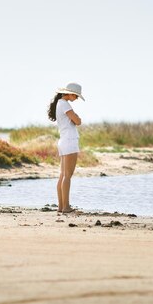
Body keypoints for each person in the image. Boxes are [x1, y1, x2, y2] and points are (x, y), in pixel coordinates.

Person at [47, 82, 85, 213]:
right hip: (69, 141)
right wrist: (77, 118)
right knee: (67, 176)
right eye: (76, 96)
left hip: (64, 141)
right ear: (70, 94)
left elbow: (75, 120)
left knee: (63, 175)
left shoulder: (60, 104)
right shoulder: (65, 104)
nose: (77, 98)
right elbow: (78, 121)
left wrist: (76, 118)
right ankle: (66, 207)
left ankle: (61, 207)